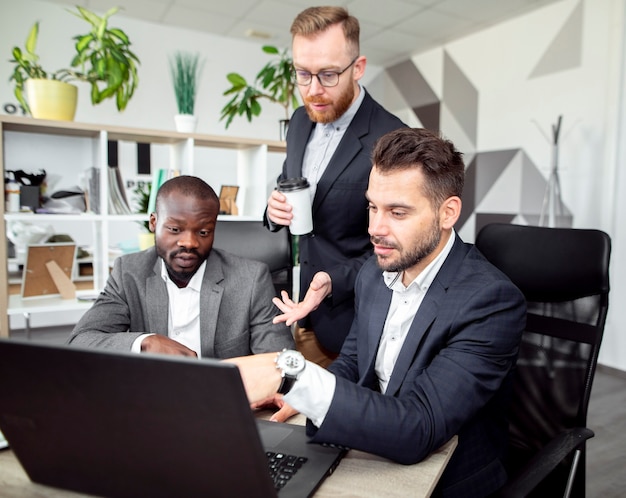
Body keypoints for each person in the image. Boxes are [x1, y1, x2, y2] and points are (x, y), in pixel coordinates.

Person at [227, 128, 526, 497]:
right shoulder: (376, 270)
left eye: (397, 212)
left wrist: (294, 377)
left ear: (447, 212)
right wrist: (298, 396)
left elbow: (420, 428)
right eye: (372, 207)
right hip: (378, 446)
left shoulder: (490, 302)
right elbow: (353, 362)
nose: (375, 229)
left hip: (446, 476)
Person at [265, 6, 406, 366]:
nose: (313, 90)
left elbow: (400, 250)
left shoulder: (392, 139)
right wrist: (272, 211)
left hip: (356, 325)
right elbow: (288, 186)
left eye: (327, 75)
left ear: (357, 68)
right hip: (300, 312)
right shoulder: (299, 121)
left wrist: (333, 281)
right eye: (302, 74)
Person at [68, 175, 294, 358]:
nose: (190, 243)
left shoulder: (251, 279)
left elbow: (282, 362)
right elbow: (81, 341)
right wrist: (145, 342)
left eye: (203, 232)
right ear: (154, 223)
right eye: (175, 230)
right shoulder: (129, 272)